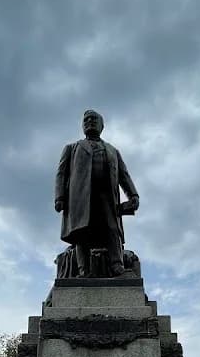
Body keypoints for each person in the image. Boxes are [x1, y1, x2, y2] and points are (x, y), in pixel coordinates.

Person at [53, 109, 139, 277]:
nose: (89, 122)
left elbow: (124, 175)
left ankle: (117, 265)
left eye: (94, 119)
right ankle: (83, 270)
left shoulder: (113, 151)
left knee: (112, 230)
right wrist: (60, 197)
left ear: (102, 125)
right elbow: (61, 173)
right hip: (80, 198)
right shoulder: (72, 148)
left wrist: (133, 195)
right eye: (86, 120)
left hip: (107, 197)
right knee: (82, 232)